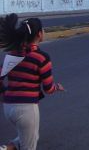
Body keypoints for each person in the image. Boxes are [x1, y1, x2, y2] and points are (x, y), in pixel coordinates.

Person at [0, 14, 65, 150]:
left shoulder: (12, 54)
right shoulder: (41, 58)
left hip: (8, 108)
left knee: (28, 137)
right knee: (29, 144)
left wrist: (4, 93)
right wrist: (56, 87)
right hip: (26, 109)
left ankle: (6, 148)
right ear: (40, 34)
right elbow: (48, 88)